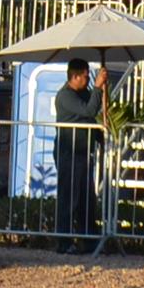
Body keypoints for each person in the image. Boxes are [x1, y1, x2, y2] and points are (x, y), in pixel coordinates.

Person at [54, 58, 101, 238]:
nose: (88, 79)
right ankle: (63, 241)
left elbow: (94, 109)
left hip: (83, 152)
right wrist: (97, 88)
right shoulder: (66, 96)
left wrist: (101, 90)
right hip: (69, 152)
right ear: (74, 76)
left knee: (86, 201)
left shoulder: (84, 93)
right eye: (85, 76)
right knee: (69, 199)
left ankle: (87, 238)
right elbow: (88, 111)